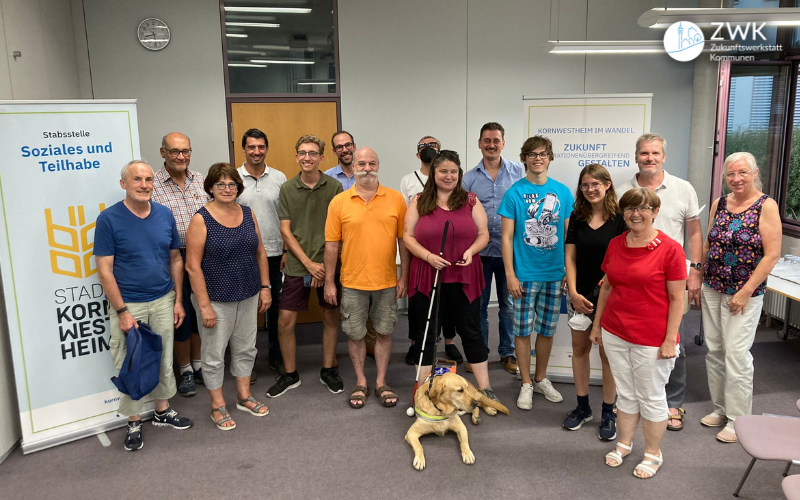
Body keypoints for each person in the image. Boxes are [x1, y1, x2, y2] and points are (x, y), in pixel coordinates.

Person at [589, 187, 686, 479]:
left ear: (655, 212)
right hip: (616, 331)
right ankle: (624, 443)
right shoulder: (617, 243)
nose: (636, 213)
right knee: (627, 394)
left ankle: (653, 453)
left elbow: (677, 299)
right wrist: (597, 325)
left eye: (644, 208)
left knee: (652, 396)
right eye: (630, 208)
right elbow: (607, 285)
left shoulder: (670, 249)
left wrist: (670, 339)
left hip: (652, 337)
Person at [96, 160, 193, 451]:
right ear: (123, 183)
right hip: (129, 304)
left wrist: (177, 299)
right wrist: (122, 311)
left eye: (149, 179)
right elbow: (104, 270)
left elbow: (176, 258)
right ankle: (134, 420)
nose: (144, 184)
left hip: (164, 298)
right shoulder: (109, 219)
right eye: (137, 179)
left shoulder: (164, 214)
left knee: (163, 358)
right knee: (131, 363)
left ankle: (163, 410)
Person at [404, 150, 503, 406]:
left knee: (471, 331)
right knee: (426, 333)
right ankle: (424, 388)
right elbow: (408, 236)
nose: (449, 176)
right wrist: (427, 256)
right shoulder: (419, 200)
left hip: (463, 275)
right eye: (443, 171)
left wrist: (471, 251)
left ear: (459, 174)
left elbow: (483, 234)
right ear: (433, 174)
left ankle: (484, 387)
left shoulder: (470, 200)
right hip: (429, 275)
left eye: (453, 172)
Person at [617, 133, 702, 431]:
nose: (649, 158)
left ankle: (673, 403)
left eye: (655, 153)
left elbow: (693, 231)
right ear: (636, 156)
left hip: (672, 278)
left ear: (663, 156)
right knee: (631, 339)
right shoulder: (622, 190)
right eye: (644, 153)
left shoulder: (682, 189)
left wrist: (696, 269)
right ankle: (635, 402)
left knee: (673, 338)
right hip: (634, 279)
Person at [700, 152, 781, 443]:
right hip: (712, 287)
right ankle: (720, 409)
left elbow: (771, 255)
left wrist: (745, 292)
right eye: (731, 174)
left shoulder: (765, 205)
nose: (736, 179)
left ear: (754, 172)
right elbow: (708, 243)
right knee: (715, 351)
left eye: (742, 173)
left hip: (744, 294)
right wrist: (699, 277)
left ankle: (738, 419)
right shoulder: (719, 203)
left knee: (736, 355)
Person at [185, 163, 272, 430]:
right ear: (210, 187)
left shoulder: (248, 214)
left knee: (247, 348)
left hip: (247, 292)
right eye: (220, 184)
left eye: (232, 184)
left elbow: (259, 252)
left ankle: (244, 396)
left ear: (238, 187)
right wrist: (204, 306)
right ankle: (217, 405)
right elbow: (192, 266)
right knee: (213, 354)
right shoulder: (201, 218)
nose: (226, 189)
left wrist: (265, 287)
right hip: (215, 299)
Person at [324, 147, 409, 409]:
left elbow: (403, 242)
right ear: (354, 166)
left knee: (384, 332)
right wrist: (329, 281)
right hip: (352, 282)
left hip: (386, 281)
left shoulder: (395, 199)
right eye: (362, 163)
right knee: (355, 334)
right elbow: (331, 246)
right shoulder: (339, 201)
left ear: (378, 166)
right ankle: (361, 381)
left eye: (372, 163)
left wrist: (403, 275)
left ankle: (381, 382)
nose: (367, 167)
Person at [499, 135, 573, 410]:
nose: (537, 158)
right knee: (521, 331)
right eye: (532, 154)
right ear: (524, 158)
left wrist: (568, 270)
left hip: (554, 274)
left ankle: (541, 378)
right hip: (524, 275)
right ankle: (526, 382)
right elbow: (506, 238)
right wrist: (510, 274)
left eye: (543, 154)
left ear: (550, 158)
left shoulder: (563, 193)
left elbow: (568, 236)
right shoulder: (515, 193)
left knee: (546, 330)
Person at [270, 135, 343, 398]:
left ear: (322, 157)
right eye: (302, 153)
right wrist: (309, 264)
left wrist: (323, 266)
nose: (307, 158)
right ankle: (290, 374)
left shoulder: (334, 187)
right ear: (296, 156)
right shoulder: (287, 189)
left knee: (329, 317)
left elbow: (338, 231)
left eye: (313, 153)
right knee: (284, 322)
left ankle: (328, 369)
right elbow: (286, 232)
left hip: (328, 265)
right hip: (298, 266)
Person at [563, 164, 626, 440]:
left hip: (610, 295)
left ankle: (609, 411)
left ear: (607, 185)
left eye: (595, 184)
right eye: (585, 185)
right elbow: (570, 258)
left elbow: (621, 259)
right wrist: (574, 293)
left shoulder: (620, 218)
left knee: (608, 356)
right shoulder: (577, 216)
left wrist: (601, 289)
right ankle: (582, 406)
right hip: (579, 296)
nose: (590, 190)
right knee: (580, 351)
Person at [463, 122, 524, 375]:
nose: (491, 144)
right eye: (486, 140)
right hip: (480, 253)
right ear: (479, 143)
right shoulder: (468, 178)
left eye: (496, 140)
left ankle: (507, 352)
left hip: (510, 253)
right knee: (479, 307)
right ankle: (480, 354)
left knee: (509, 306)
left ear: (503, 143)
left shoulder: (519, 172)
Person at [152, 132, 210, 397]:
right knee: (181, 315)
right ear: (163, 153)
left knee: (201, 312)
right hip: (172, 258)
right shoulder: (152, 185)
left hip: (205, 256)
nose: (180, 157)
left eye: (185, 151)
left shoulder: (201, 181)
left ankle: (199, 365)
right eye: (174, 151)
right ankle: (185, 369)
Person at [399, 135, 461, 366]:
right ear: (417, 153)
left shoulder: (449, 178)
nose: (428, 150)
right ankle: (417, 342)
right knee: (420, 301)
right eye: (424, 147)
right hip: (421, 248)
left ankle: (449, 341)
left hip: (448, 248)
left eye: (433, 146)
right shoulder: (408, 180)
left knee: (449, 300)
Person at [236, 128, 287, 381]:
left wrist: (287, 248)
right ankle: (248, 361)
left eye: (261, 147)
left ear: (266, 148)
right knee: (247, 310)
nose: (256, 151)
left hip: (276, 253)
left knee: (276, 309)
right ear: (243, 149)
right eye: (251, 147)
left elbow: (287, 216)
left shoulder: (279, 177)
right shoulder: (233, 179)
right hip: (244, 255)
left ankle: (276, 356)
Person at [326, 130, 376, 359]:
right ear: (334, 151)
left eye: (347, 145)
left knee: (371, 298)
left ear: (354, 146)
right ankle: (341, 347)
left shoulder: (369, 172)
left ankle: (372, 344)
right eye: (339, 147)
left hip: (366, 245)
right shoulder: (327, 179)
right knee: (343, 298)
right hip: (340, 245)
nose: (344, 149)